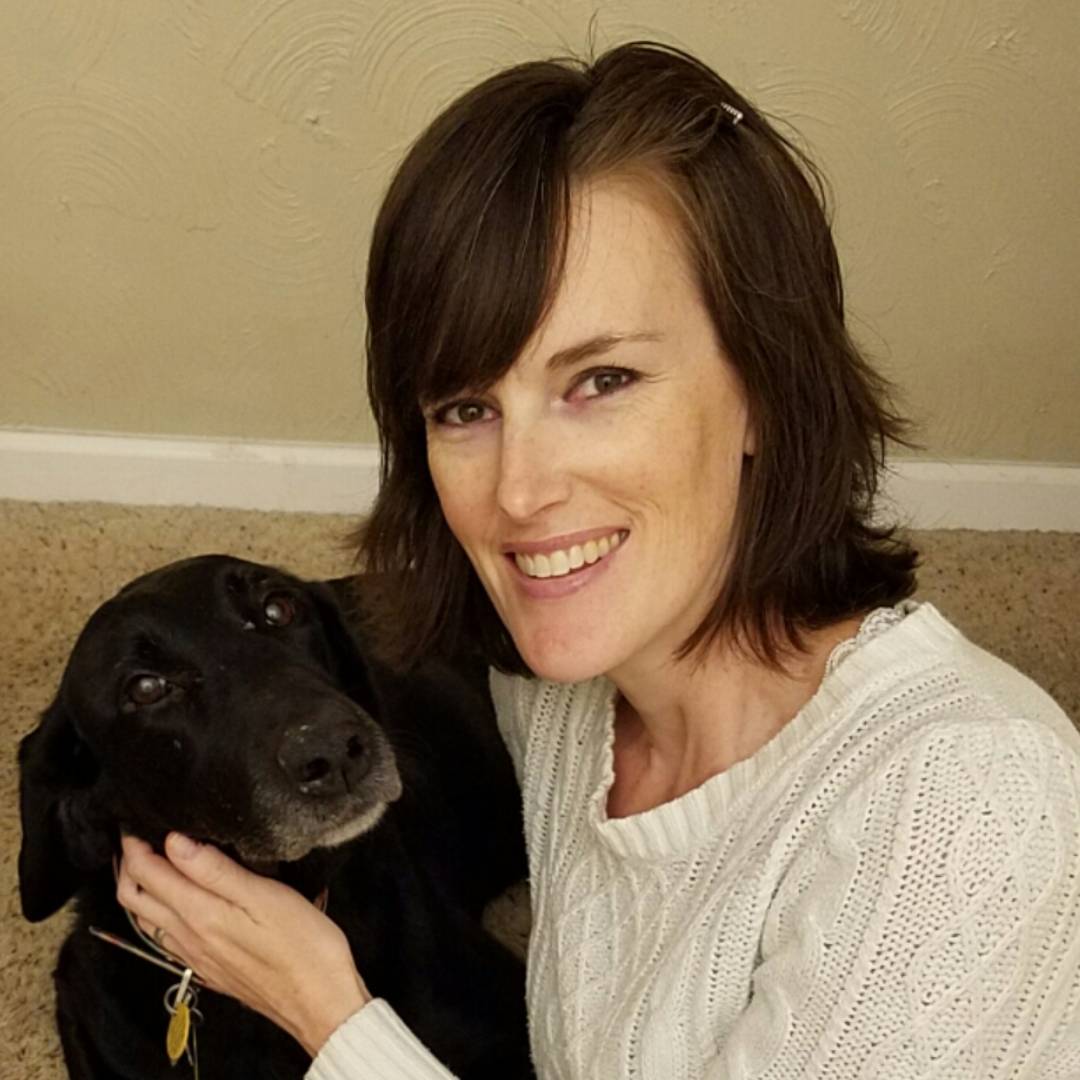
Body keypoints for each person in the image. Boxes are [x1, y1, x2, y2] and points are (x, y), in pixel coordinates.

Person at [118, 41, 1080, 1078]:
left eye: (602, 379)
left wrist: (331, 1016)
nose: (519, 492)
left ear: (764, 385)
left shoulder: (965, 805)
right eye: (467, 407)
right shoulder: (561, 702)